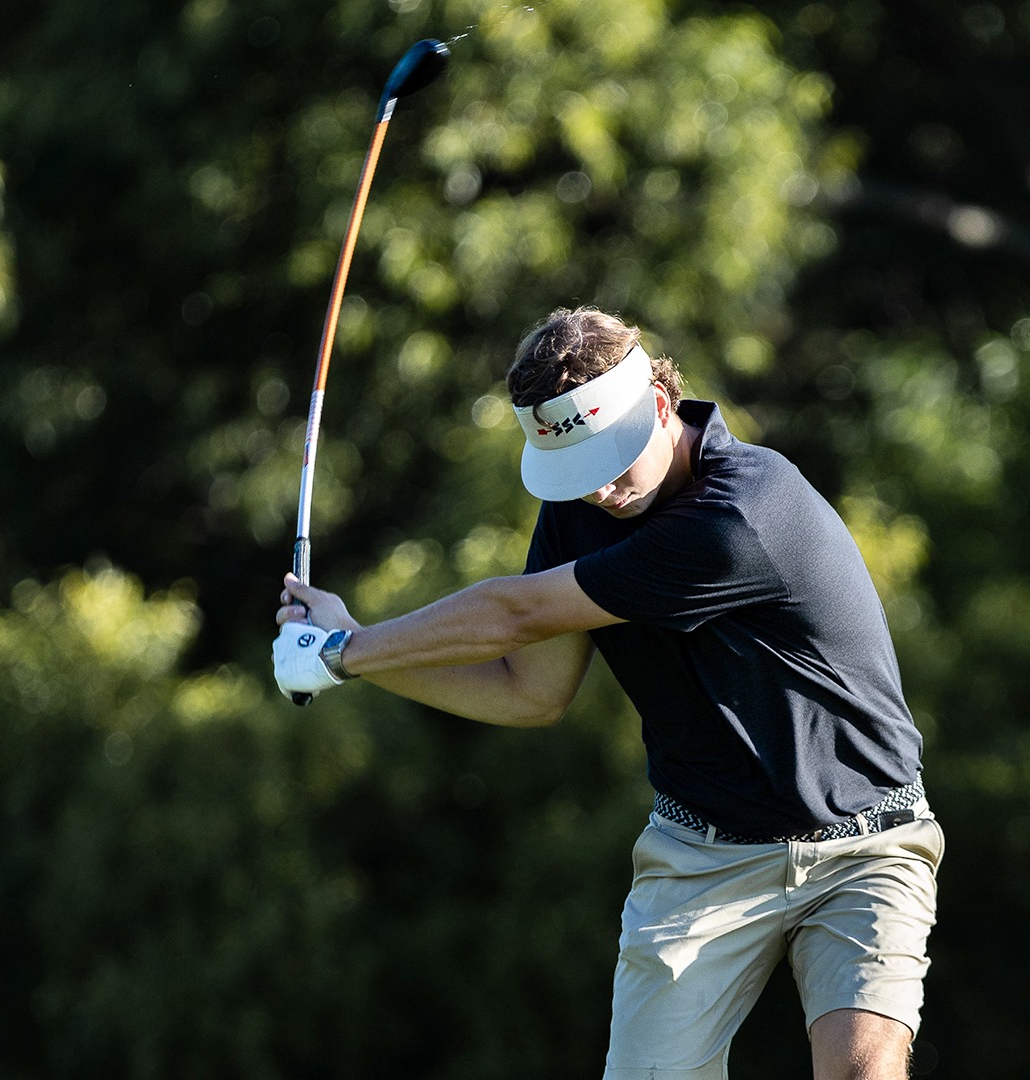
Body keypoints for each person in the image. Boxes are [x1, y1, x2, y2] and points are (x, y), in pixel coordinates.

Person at [272, 307, 941, 1080]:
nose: (599, 488)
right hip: (701, 857)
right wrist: (353, 654)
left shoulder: (744, 514)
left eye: (611, 457)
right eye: (576, 468)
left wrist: (339, 653)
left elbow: (513, 616)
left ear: (659, 402)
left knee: (861, 1072)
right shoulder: (579, 514)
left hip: (866, 844)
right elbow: (531, 692)